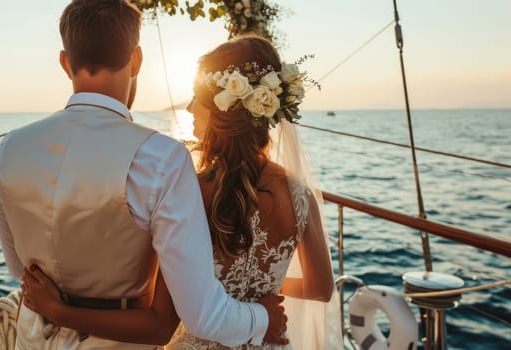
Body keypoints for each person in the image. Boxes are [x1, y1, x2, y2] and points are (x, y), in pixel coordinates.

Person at [0, 1, 287, 349]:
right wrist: (262, 318)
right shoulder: (161, 159)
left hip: (31, 338)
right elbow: (202, 314)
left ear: (66, 63)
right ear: (137, 59)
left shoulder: (7, 151)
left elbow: (18, 268)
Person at [22, 34, 343, 349]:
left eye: (195, 97)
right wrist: (261, 296)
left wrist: (59, 310)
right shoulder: (300, 195)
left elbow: (159, 316)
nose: (189, 107)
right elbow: (321, 288)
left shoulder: (192, 190)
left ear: (221, 109)